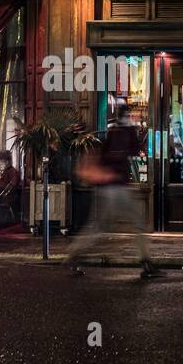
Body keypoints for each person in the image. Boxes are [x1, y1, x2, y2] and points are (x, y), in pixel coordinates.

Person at [67, 105, 156, 280]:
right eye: (131, 114)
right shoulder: (126, 131)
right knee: (138, 223)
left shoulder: (113, 132)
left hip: (108, 187)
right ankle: (146, 263)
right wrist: (134, 129)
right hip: (118, 187)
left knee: (99, 226)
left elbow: (106, 155)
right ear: (127, 115)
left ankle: (75, 254)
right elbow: (135, 149)